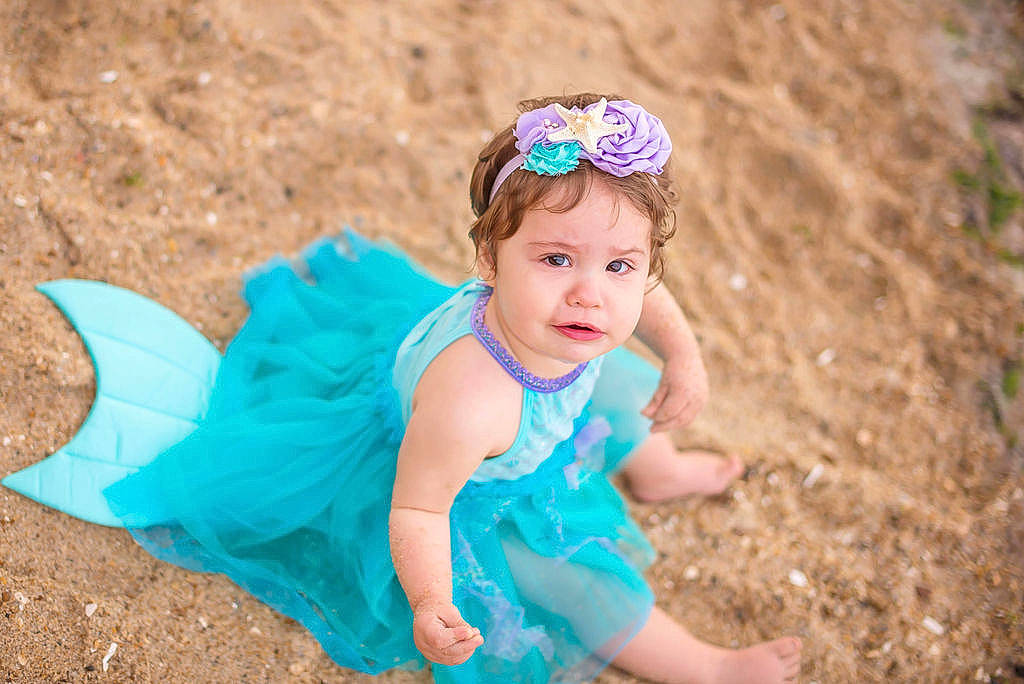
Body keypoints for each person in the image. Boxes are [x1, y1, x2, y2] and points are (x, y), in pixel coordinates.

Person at [13, 93, 800, 683]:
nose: (591, 293)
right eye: (556, 259)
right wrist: (429, 598)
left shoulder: (582, 308)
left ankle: (652, 468)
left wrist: (686, 360)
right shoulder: (471, 401)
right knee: (576, 584)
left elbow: (651, 300)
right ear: (491, 262)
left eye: (618, 265)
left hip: (539, 398)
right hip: (464, 483)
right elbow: (419, 507)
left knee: (627, 379)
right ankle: (708, 666)